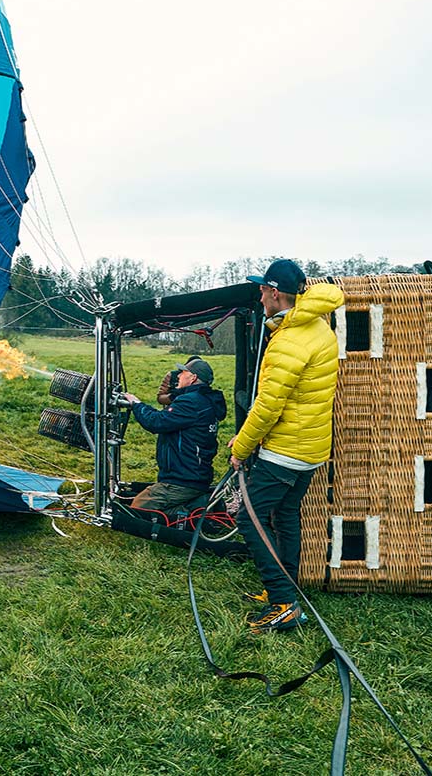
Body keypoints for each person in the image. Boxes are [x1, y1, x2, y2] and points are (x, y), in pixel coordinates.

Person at [228, 258, 343, 633]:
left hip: (285, 451)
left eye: (262, 290)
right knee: (285, 516)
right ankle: (284, 588)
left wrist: (241, 447)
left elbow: (268, 406)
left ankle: (282, 603)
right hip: (309, 450)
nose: (259, 297)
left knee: (249, 516)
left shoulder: (289, 341)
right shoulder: (317, 326)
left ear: (275, 293)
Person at [121, 357, 227, 519]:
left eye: (183, 372)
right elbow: (168, 417)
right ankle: (198, 504)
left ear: (193, 378)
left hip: (182, 480)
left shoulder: (191, 402)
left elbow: (155, 422)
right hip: (194, 476)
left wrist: (136, 403)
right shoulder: (204, 401)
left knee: (138, 508)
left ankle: (197, 511)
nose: (178, 376)